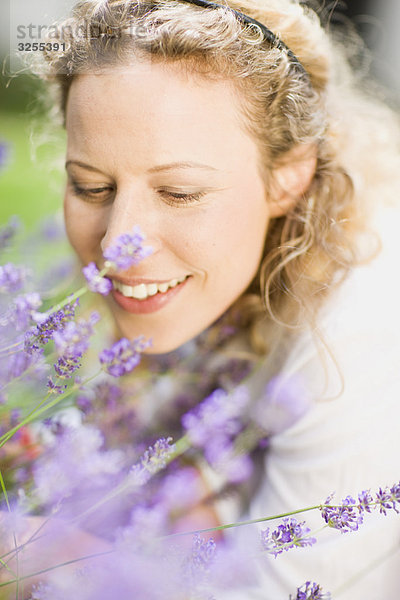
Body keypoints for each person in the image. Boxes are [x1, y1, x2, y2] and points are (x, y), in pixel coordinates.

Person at [18, 0, 400, 597]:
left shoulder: (363, 333)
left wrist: (51, 553)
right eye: (91, 185)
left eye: (179, 192)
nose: (118, 242)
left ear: (288, 178)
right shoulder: (213, 289)